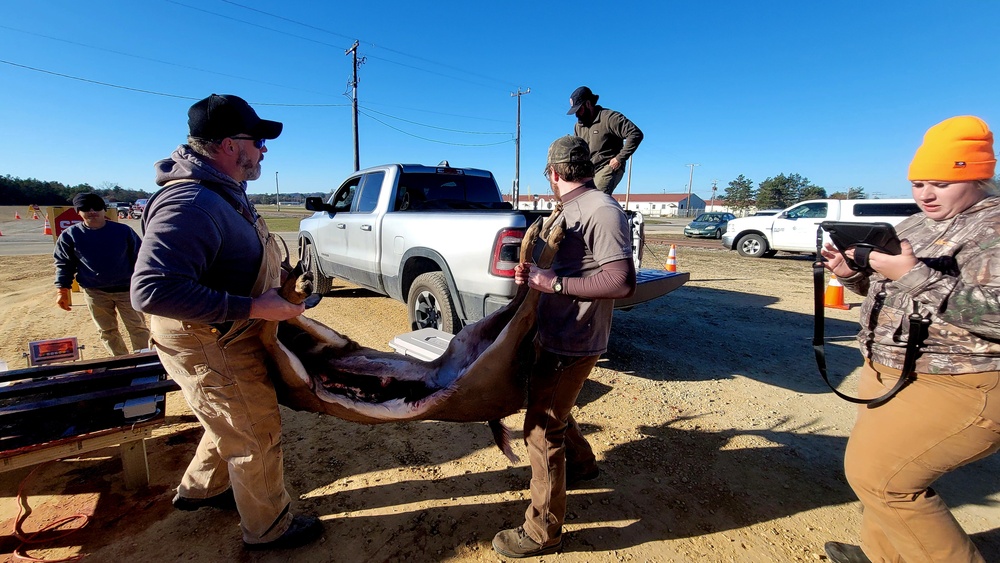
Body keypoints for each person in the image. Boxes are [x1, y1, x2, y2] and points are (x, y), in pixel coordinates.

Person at [131, 94, 321, 551]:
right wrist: (257, 308)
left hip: (219, 333)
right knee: (255, 431)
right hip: (211, 342)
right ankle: (269, 527)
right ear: (229, 145)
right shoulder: (192, 203)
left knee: (227, 420)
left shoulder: (221, 191)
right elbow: (151, 290)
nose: (264, 150)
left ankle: (204, 489)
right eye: (257, 140)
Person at [820, 115, 1000, 563]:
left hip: (963, 381)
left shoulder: (993, 228)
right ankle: (881, 556)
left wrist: (915, 276)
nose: (926, 194)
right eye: (919, 183)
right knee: (881, 474)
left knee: (882, 479)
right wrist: (854, 276)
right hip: (891, 371)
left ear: (977, 176)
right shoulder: (916, 224)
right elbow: (892, 289)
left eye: (940, 182)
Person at [492, 135, 636, 558]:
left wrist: (551, 282)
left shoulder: (601, 210)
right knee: (552, 406)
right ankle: (584, 465)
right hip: (555, 333)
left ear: (553, 173)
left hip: (573, 340)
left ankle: (542, 532)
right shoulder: (572, 208)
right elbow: (568, 266)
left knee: (542, 428)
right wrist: (535, 275)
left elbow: (620, 282)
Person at [53, 192, 150, 356]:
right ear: (78, 211)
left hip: (127, 290)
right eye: (85, 208)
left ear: (104, 210)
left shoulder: (123, 232)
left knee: (138, 328)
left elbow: (142, 258)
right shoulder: (70, 236)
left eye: (96, 207)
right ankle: (121, 363)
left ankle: (143, 360)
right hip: (95, 292)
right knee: (107, 331)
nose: (92, 211)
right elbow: (64, 263)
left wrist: (145, 284)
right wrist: (62, 290)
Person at [567, 86, 643, 195]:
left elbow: (635, 133)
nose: (577, 114)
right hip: (589, 170)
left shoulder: (610, 118)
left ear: (588, 104)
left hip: (608, 167)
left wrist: (619, 158)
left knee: (596, 198)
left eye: (579, 110)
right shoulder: (578, 126)